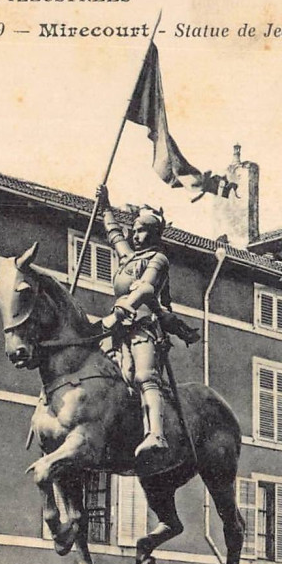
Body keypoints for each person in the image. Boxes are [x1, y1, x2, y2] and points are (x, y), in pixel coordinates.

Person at [96, 184, 200, 460]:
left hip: (143, 327)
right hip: (117, 330)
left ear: (153, 233)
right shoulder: (129, 258)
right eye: (135, 229)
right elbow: (113, 233)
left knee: (144, 376)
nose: (135, 234)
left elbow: (145, 290)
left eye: (141, 229)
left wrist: (119, 312)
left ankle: (156, 434)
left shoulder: (159, 259)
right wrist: (105, 205)